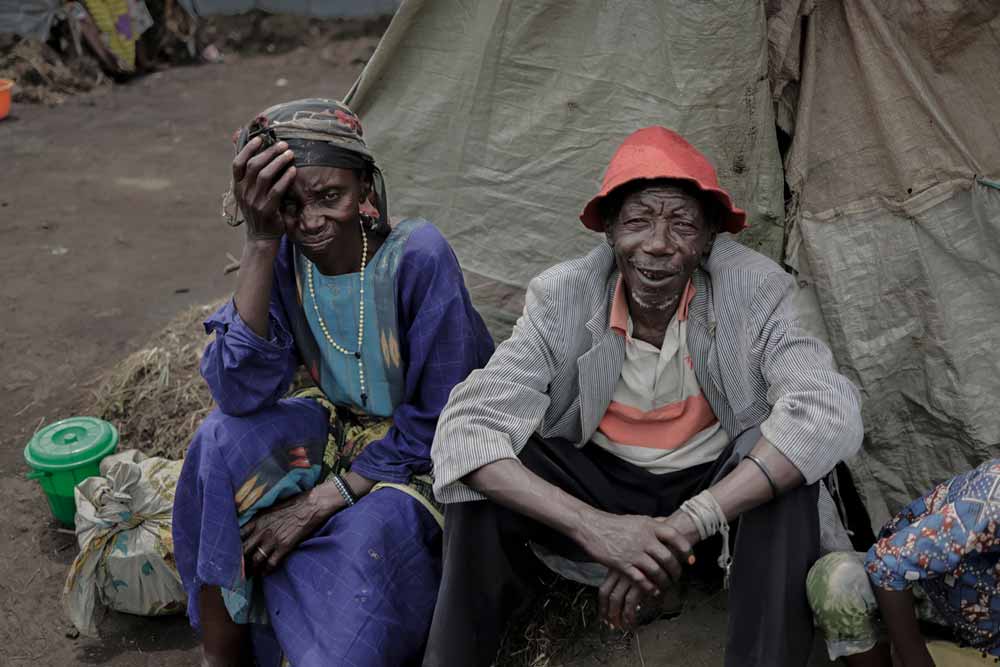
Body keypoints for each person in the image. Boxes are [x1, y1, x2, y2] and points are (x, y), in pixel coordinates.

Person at [424, 126, 864, 667]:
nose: (658, 243)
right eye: (637, 221)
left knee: (781, 462)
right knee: (486, 469)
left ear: (708, 240)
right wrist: (598, 529)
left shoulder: (756, 291)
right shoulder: (563, 294)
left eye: (682, 223)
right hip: (601, 489)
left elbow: (826, 411)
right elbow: (464, 429)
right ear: (609, 231)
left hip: (717, 496)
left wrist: (689, 521)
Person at [171, 99, 495, 667]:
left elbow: (446, 414)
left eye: (330, 197)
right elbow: (240, 391)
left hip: (421, 456)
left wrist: (323, 499)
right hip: (333, 426)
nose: (312, 221)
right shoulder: (286, 256)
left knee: (363, 544)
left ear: (365, 188)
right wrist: (260, 242)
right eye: (290, 205)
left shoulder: (417, 256)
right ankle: (221, 655)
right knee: (217, 443)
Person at [808, 459, 1000, 666]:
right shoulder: (992, 503)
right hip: (923, 596)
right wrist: (916, 660)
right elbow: (886, 565)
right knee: (840, 582)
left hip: (987, 631)